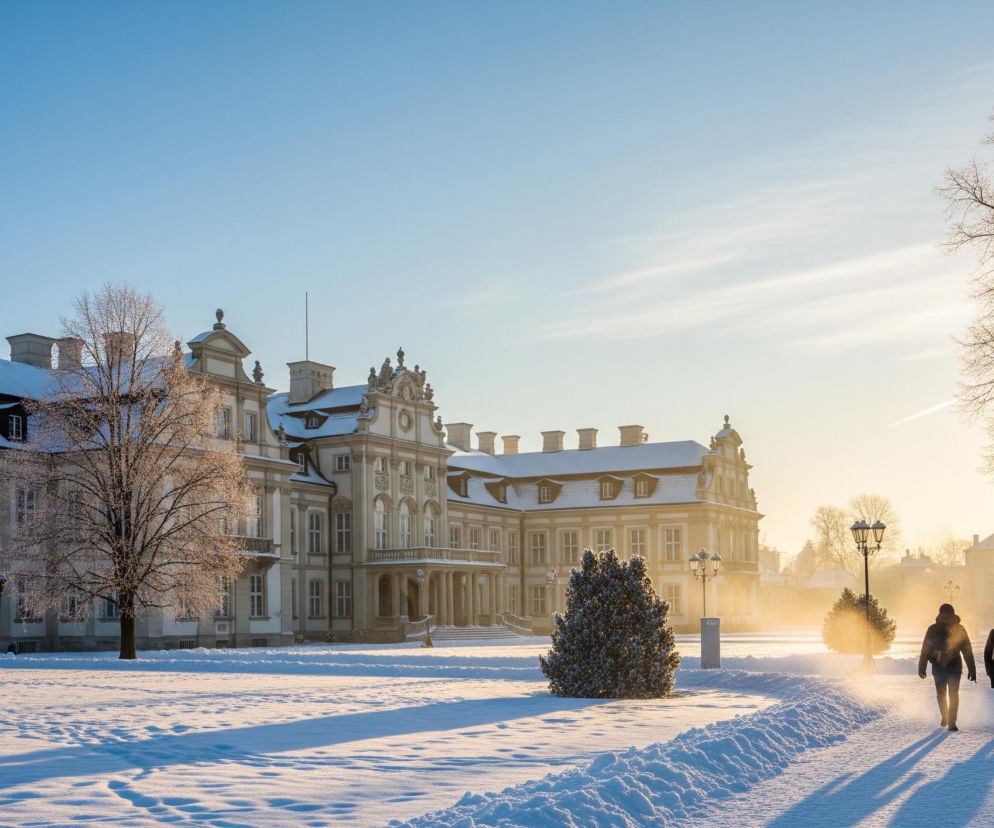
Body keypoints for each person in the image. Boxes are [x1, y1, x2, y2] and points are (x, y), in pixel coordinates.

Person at [918, 603, 976, 731]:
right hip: (954, 666)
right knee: (954, 694)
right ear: (954, 613)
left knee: (941, 693)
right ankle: (951, 721)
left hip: (938, 666)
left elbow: (925, 649)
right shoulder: (959, 628)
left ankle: (946, 717)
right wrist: (972, 670)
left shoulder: (932, 629)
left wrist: (922, 667)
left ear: (939, 614)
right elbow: (967, 651)